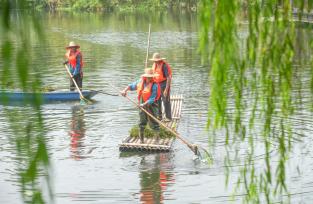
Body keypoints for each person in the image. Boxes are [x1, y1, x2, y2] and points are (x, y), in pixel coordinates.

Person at [121, 68, 161, 143]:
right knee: (142, 122)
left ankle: (157, 140)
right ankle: (141, 140)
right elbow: (130, 86)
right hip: (142, 105)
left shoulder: (155, 85)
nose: (149, 78)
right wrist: (124, 90)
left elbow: (152, 98)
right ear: (145, 76)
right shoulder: (140, 82)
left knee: (154, 123)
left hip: (151, 106)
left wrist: (143, 104)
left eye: (150, 77)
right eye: (148, 77)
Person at [150, 52, 172, 121]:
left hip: (164, 84)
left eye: (156, 60)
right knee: (157, 100)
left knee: (166, 100)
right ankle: (159, 116)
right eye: (154, 60)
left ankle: (168, 117)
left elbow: (168, 78)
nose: (155, 61)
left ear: (159, 60)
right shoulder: (154, 65)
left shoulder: (164, 66)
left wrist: (166, 89)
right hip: (157, 84)